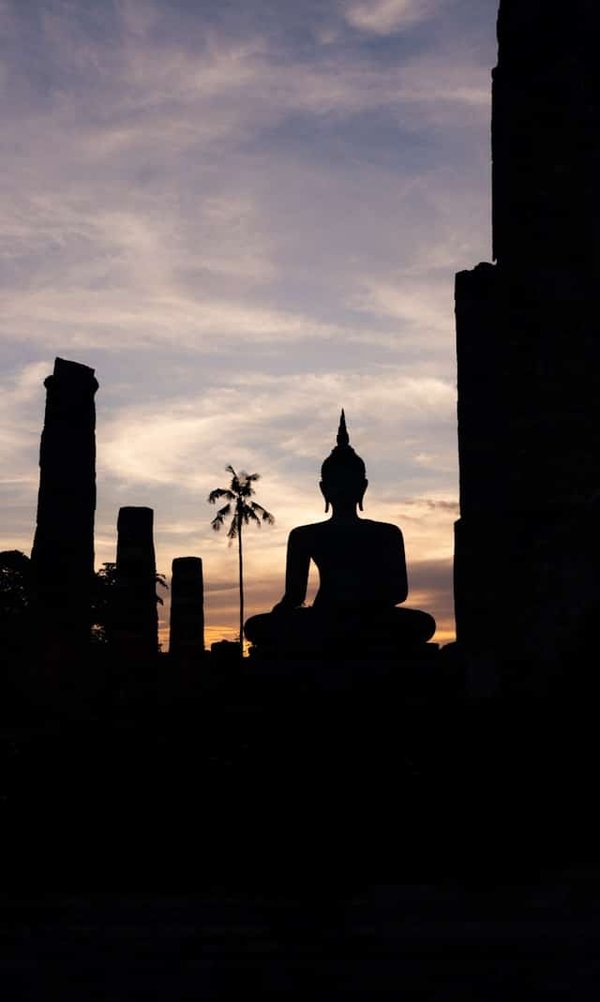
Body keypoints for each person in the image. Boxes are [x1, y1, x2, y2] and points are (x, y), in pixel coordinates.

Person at [245, 412, 436, 658]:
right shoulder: (306, 536)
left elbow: (399, 593)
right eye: (338, 483)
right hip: (347, 620)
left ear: (362, 487)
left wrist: (284, 611)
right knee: (256, 627)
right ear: (325, 489)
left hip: (356, 620)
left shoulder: (385, 533)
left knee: (423, 623)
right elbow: (294, 596)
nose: (343, 489)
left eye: (349, 482)